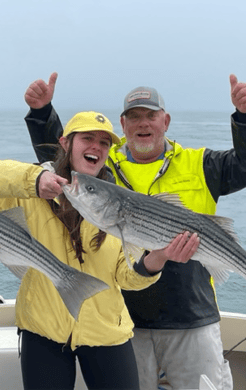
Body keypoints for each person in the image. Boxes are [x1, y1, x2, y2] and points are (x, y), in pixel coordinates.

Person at [22, 72, 246, 390]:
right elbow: (64, 165)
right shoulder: (102, 167)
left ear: (165, 121)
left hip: (191, 318)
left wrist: (244, 117)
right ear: (123, 125)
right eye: (134, 117)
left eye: (150, 116)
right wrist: (43, 112)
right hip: (127, 321)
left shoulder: (202, 164)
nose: (143, 124)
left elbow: (244, 164)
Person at [0, 111, 199, 390]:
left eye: (104, 143)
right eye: (87, 138)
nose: (96, 147)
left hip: (107, 331)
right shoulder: (30, 192)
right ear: (66, 143)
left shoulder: (117, 202)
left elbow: (127, 277)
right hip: (43, 329)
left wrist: (159, 258)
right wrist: (35, 179)